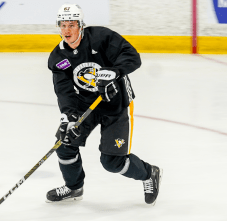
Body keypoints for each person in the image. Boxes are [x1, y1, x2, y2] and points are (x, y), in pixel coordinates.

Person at [47, 3, 162, 205]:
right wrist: (69, 116)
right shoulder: (58, 58)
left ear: (81, 26)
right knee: (64, 143)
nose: (67, 30)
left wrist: (115, 71)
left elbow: (132, 57)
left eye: (72, 25)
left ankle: (149, 173)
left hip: (115, 105)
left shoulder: (101, 38)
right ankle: (74, 187)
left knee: (112, 162)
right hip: (86, 105)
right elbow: (64, 91)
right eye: (63, 25)